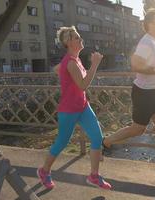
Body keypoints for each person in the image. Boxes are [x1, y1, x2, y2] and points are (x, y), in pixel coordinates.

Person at [103, 9, 155, 176]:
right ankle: (105, 142)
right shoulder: (146, 42)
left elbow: (148, 67)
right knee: (138, 130)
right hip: (143, 92)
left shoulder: (153, 42)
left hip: (153, 92)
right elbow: (135, 66)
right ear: (150, 24)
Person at [37, 26, 112, 190]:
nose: (81, 39)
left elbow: (58, 70)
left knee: (97, 138)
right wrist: (95, 65)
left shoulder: (75, 59)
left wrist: (58, 69)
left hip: (83, 106)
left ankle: (94, 176)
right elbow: (83, 85)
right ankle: (44, 171)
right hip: (69, 110)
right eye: (77, 37)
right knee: (62, 143)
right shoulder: (71, 62)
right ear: (68, 42)